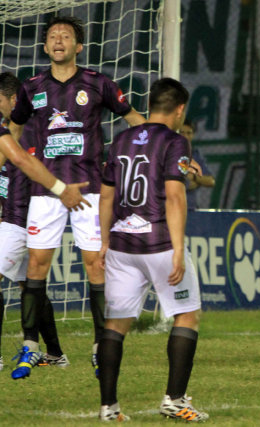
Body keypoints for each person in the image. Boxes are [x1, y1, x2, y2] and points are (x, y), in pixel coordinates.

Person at [8, 16, 146, 380]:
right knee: (35, 266)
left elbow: (133, 117)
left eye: (65, 36)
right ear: (45, 46)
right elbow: (16, 127)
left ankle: (102, 347)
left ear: (78, 46)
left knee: (96, 266)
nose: (58, 40)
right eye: (52, 36)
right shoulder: (31, 86)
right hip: (46, 190)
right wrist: (16, 163)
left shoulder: (98, 83)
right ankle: (31, 346)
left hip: (90, 190)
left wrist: (163, 145)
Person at [96, 78, 207, 421]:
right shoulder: (176, 142)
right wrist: (177, 248)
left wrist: (103, 241)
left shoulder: (122, 138)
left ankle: (109, 407)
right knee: (186, 314)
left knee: (116, 323)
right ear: (179, 110)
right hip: (158, 242)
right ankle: (174, 400)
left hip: (121, 244)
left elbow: (106, 195)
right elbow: (175, 196)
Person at [0, 72, 71, 374]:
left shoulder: (31, 134)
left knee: (30, 286)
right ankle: (54, 353)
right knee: (31, 287)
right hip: (13, 219)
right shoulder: (9, 132)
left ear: (14, 100)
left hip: (20, 220)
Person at [180, 118, 215, 211]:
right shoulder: (167, 153)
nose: (185, 136)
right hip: (170, 208)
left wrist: (194, 177)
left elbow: (210, 181)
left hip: (191, 208)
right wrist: (191, 181)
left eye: (189, 133)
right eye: (182, 132)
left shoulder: (195, 155)